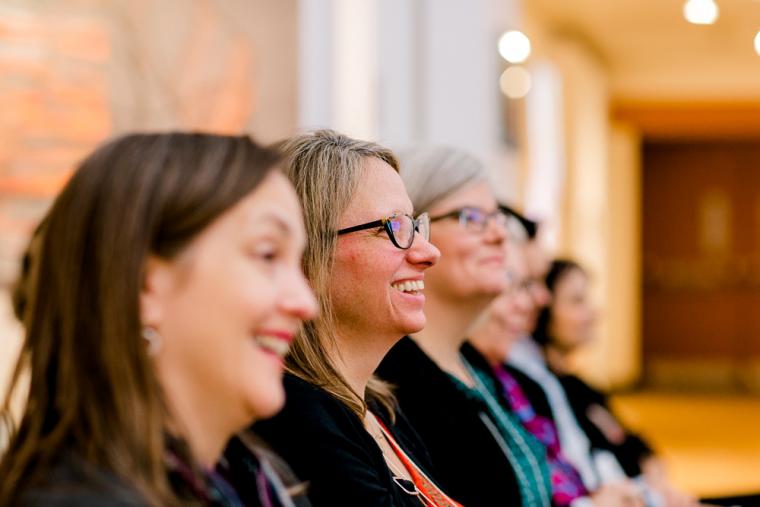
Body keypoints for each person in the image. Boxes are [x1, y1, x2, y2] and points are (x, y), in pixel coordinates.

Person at [0, 133, 317, 507]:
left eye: (297, 262)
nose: (305, 303)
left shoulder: (259, 481)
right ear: (144, 286)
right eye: (267, 255)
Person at [230, 130, 461, 507]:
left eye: (416, 226)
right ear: (307, 253)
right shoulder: (299, 417)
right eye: (394, 227)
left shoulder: (380, 407)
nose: (429, 251)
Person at [376, 146, 553, 507]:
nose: (499, 236)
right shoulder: (393, 381)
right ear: (415, 233)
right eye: (471, 218)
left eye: (497, 217)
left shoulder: (476, 364)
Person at [469, 240, 645, 507]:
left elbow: (622, 444)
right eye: (519, 285)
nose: (538, 298)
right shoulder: (520, 380)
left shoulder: (555, 382)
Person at [534, 260, 699, 507]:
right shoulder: (540, 395)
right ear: (543, 309)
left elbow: (635, 446)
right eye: (577, 301)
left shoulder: (578, 387)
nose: (593, 312)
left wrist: (658, 484)